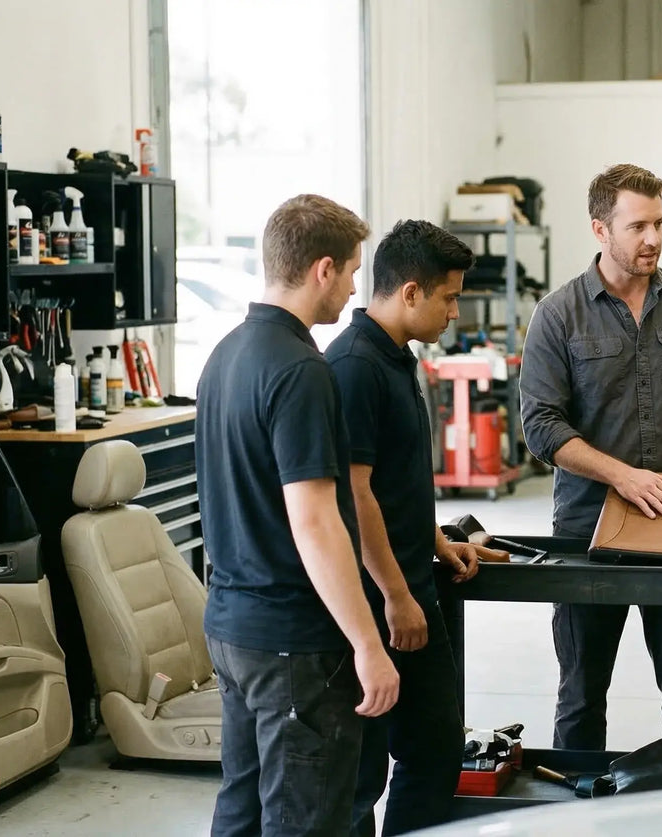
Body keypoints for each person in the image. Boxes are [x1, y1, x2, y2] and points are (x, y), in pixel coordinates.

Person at [520, 163, 662, 755]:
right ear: (600, 229)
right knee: (581, 694)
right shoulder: (557, 314)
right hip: (587, 530)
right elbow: (541, 426)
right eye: (638, 225)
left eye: (659, 224)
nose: (653, 238)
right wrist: (621, 475)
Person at [197, 194, 400, 835]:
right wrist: (368, 645)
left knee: (242, 809)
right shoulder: (300, 370)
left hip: (232, 630)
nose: (352, 289)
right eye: (350, 272)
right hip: (294, 642)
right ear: (322, 269)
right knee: (304, 818)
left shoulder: (223, 356)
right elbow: (314, 522)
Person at [325, 220, 508, 835]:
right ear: (409, 292)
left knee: (432, 752)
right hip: (377, 603)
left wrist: (435, 542)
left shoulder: (398, 357)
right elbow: (354, 495)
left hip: (412, 585)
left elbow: (399, 482)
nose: (455, 311)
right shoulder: (353, 367)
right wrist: (396, 596)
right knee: (362, 772)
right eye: (449, 297)